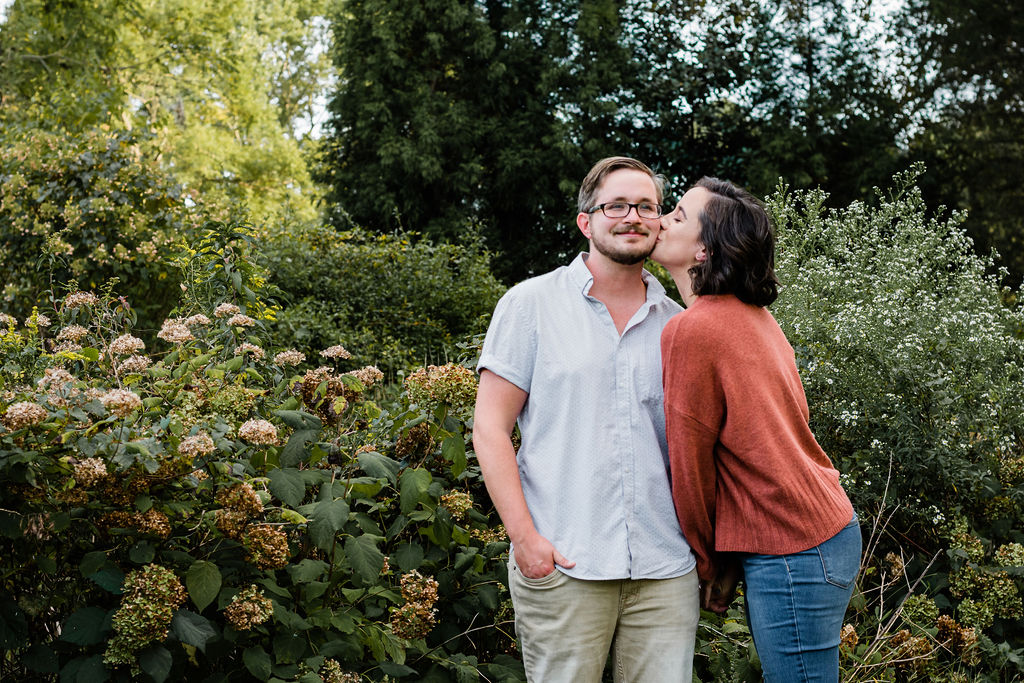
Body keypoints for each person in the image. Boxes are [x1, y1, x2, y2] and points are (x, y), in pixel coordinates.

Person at [472, 157, 699, 683]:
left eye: (646, 206)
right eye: (615, 205)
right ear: (586, 221)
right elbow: (489, 429)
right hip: (565, 562)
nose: (632, 217)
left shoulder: (679, 324)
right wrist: (526, 540)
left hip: (664, 572)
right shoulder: (530, 304)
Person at [653, 177, 861, 683]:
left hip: (791, 544)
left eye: (677, 215)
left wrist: (706, 565)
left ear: (703, 249)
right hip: (818, 532)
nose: (660, 220)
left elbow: (692, 469)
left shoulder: (693, 329)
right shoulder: (754, 317)